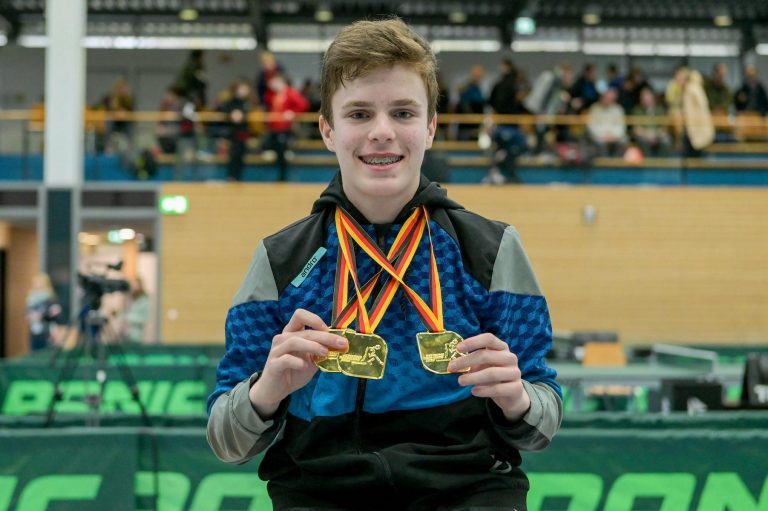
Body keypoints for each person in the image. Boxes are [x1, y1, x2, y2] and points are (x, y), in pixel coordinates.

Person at [207, 17, 562, 511]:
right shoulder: (280, 260)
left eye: (403, 112)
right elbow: (226, 441)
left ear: (430, 127)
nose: (381, 132)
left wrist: (518, 398)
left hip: (470, 491)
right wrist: (266, 392)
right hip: (320, 492)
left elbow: (543, 418)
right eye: (358, 114)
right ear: (327, 130)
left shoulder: (491, 249)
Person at [26, 273, 63, 351]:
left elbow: (56, 314)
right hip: (34, 332)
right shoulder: (31, 300)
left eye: (40, 284)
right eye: (35, 284)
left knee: (46, 352)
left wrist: (41, 316)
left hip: (48, 332)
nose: (37, 286)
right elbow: (27, 313)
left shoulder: (51, 299)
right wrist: (30, 316)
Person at [120, 278, 150, 343]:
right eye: (132, 285)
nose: (134, 287)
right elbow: (123, 313)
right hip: (124, 333)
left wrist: (127, 317)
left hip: (135, 334)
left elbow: (144, 318)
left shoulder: (144, 300)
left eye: (136, 285)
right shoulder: (129, 298)